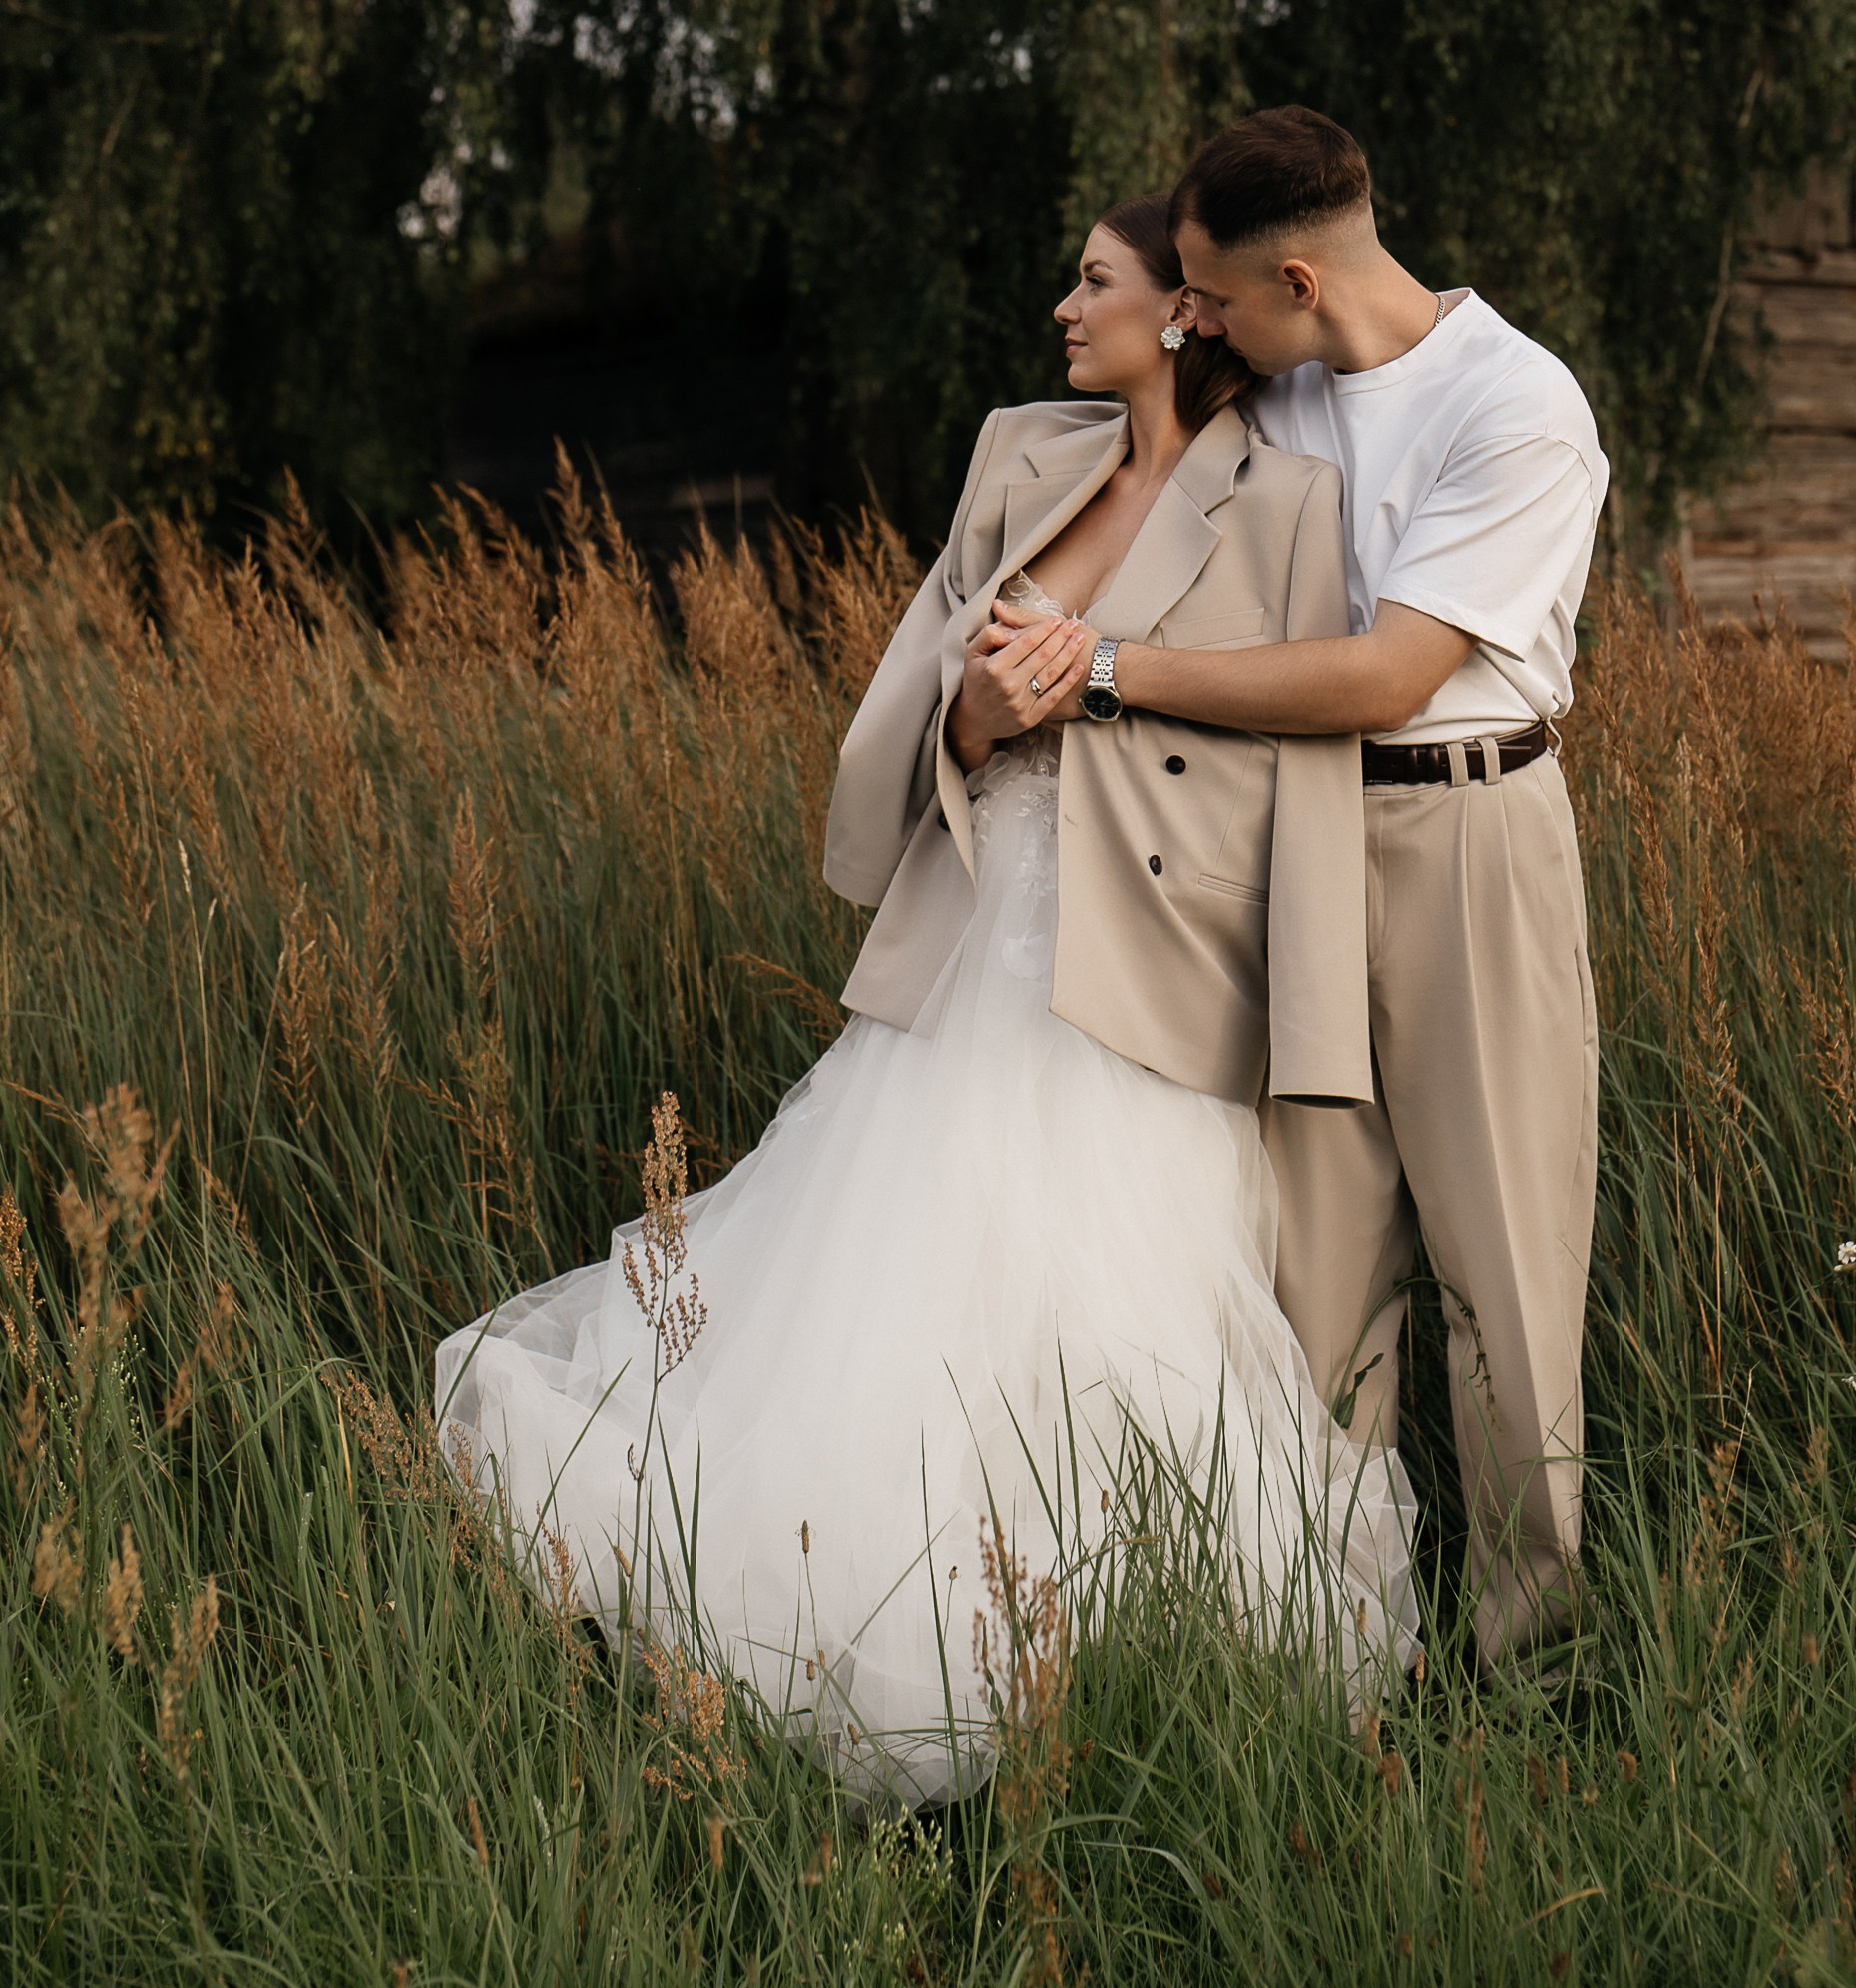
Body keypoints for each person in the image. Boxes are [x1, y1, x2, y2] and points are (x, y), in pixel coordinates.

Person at [437, 191, 1414, 1806]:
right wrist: (974, 712)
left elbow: (1303, 770)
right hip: (977, 956)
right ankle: (895, 1646)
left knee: (1124, 1328)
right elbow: (912, 697)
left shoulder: (1293, 503)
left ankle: (1126, 1678)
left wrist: (1303, 1025)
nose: (1061, 307)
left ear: (1183, 308)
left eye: (1090, 279)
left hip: (1162, 982)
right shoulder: (1020, 456)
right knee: (900, 1307)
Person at [997, 108, 1608, 1665]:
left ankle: (1529, 1670)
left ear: (1296, 280)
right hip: (1299, 845)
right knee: (1318, 1290)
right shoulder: (1285, 392)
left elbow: (1393, 673)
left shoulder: (1518, 406)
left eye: (1206, 293)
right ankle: (1340, 1669)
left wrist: (1112, 676)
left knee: (1506, 1285)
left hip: (1469, 839)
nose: (1192, 319)